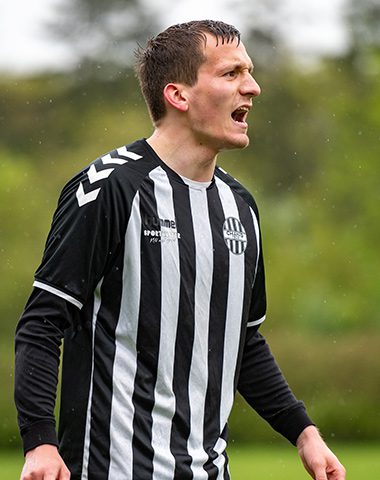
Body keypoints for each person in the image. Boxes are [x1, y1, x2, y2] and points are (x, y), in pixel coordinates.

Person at [14, 19, 346, 480]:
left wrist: (303, 431)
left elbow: (242, 342)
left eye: (248, 72)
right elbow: (42, 324)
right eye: (231, 74)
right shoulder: (109, 189)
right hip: (113, 468)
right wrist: (40, 443)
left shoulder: (240, 207)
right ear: (178, 95)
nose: (253, 87)